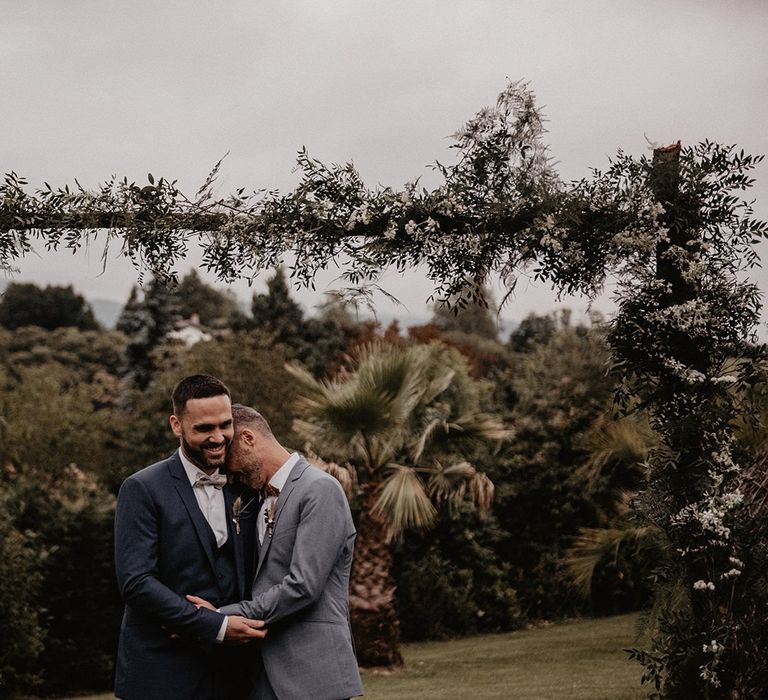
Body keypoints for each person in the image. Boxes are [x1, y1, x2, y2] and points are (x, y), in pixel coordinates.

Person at [187, 404, 363, 700]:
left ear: (248, 438)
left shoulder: (320, 490)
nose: (230, 474)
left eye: (230, 461)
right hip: (262, 675)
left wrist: (221, 617)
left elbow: (303, 585)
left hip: (313, 672)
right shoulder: (255, 501)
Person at [114, 375, 266, 700]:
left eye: (225, 425)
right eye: (203, 428)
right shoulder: (142, 488)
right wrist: (215, 626)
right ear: (176, 425)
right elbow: (136, 581)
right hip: (163, 672)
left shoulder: (245, 485)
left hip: (235, 674)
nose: (218, 438)